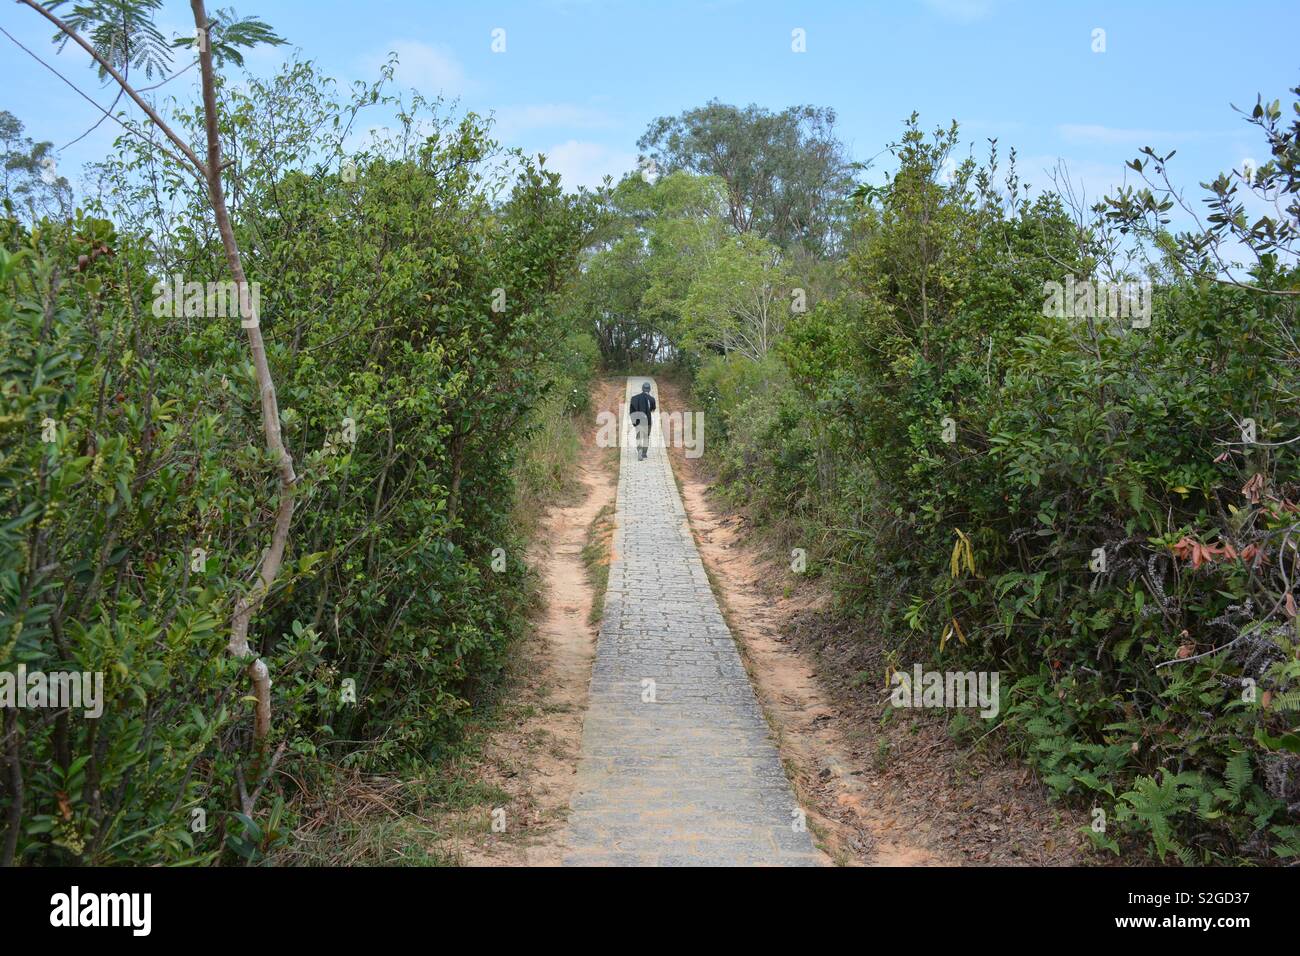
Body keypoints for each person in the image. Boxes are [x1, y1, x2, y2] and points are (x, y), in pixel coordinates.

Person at [629, 381, 656, 460]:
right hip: (648, 421)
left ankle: (639, 450)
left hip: (638, 421)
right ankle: (644, 453)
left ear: (642, 389)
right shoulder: (652, 399)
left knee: (639, 436)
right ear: (649, 390)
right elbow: (653, 409)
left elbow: (632, 410)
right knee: (646, 436)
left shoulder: (634, 398)